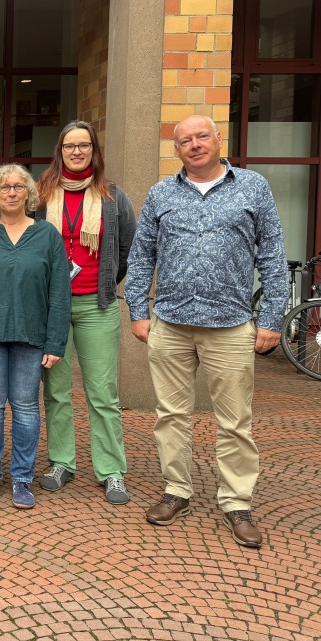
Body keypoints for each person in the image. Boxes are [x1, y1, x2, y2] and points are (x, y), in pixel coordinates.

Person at [125, 114, 285, 549]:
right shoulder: (161, 194)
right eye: (184, 141)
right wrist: (139, 311)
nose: (194, 145)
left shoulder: (253, 187)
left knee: (235, 421)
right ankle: (176, 491)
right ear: (175, 150)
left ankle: (236, 502)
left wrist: (271, 317)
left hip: (231, 325)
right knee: (170, 415)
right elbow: (141, 257)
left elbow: (272, 253)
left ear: (218, 139)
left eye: (201, 136)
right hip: (171, 323)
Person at [35, 121, 135, 505]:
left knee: (102, 392)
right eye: (69, 146)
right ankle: (62, 462)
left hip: (97, 304)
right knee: (56, 391)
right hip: (51, 308)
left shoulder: (113, 197)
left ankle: (111, 470)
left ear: (95, 151)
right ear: (59, 151)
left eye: (85, 145)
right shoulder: (42, 196)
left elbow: (127, 251)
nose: (77, 152)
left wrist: (107, 281)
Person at [0, 164, 70, 509]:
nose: (11, 192)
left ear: (28, 193)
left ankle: (22, 479)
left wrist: (56, 341)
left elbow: (59, 292)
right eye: (4, 187)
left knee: (25, 407)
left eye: (18, 187)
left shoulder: (47, 235)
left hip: (31, 334)